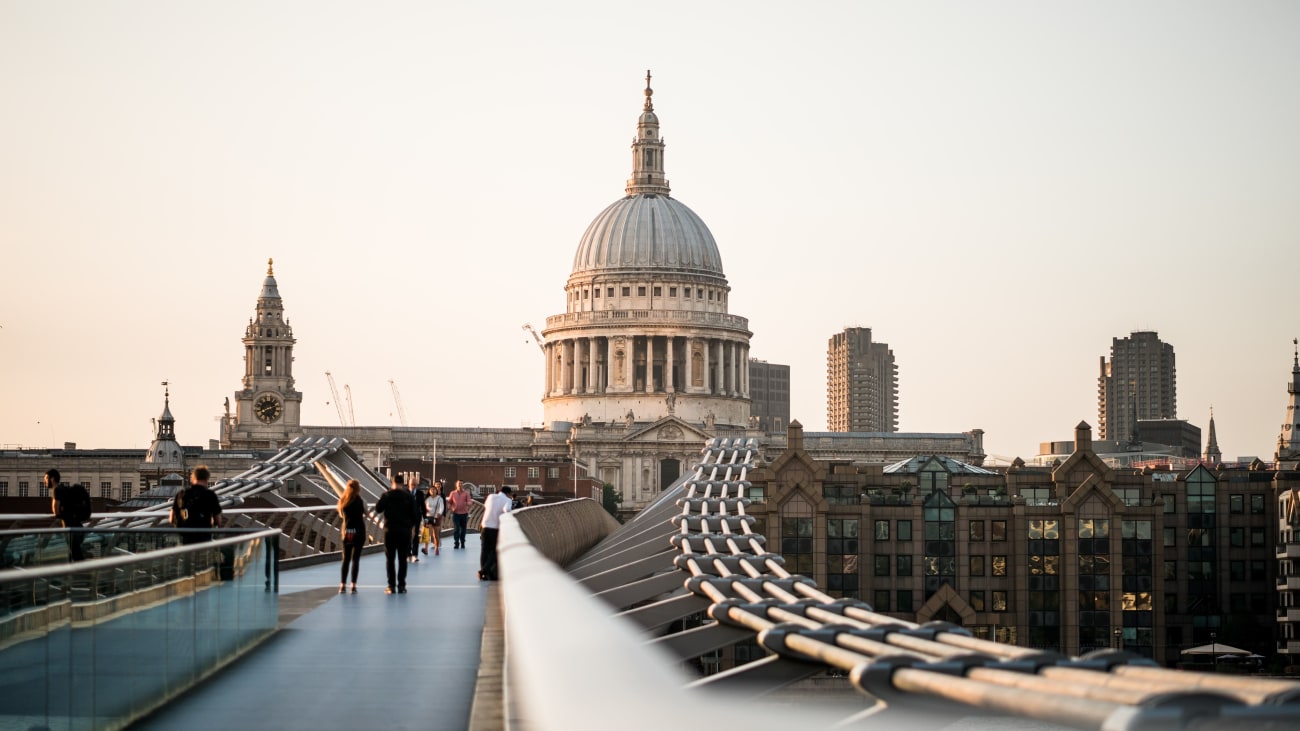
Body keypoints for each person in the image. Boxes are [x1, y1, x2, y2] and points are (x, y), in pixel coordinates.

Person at [374, 474, 418, 594]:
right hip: (405, 531)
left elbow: (378, 509)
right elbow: (415, 515)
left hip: (390, 530)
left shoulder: (387, 495)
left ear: (392, 483)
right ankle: (402, 585)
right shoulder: (409, 497)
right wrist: (412, 529)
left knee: (390, 559)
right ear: (403, 483)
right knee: (403, 558)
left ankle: (391, 586)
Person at [169, 465, 222, 544]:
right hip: (204, 538)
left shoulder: (182, 494)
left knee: (185, 555)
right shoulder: (210, 495)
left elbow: (171, 519)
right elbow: (218, 520)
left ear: (193, 479)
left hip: (185, 538)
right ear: (207, 479)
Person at [49, 468, 91, 562]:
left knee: (76, 556)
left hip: (71, 527)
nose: (45, 481)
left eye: (46, 478)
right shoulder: (65, 489)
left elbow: (56, 511)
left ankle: (82, 574)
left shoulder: (57, 490)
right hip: (78, 526)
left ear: (52, 479)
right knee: (76, 555)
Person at [478, 485, 513, 581]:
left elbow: (486, 506)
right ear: (508, 493)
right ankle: (485, 570)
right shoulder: (507, 500)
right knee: (494, 550)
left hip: (485, 525)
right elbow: (507, 510)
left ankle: (483, 572)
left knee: (484, 550)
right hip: (496, 527)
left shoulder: (491, 497)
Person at [337, 479, 366, 594]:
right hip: (359, 532)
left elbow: (341, 515)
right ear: (358, 489)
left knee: (346, 559)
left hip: (347, 532)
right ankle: (353, 585)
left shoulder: (343, 501)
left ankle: (342, 585)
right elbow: (367, 513)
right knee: (356, 559)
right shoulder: (361, 501)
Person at [448, 480, 472, 549]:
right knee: (456, 528)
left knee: (463, 529)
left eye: (461, 483)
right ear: (456, 485)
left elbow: (470, 501)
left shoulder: (466, 493)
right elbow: (449, 502)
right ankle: (456, 543)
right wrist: (449, 506)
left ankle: (462, 542)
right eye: (459, 483)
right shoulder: (452, 493)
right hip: (455, 513)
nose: (460, 485)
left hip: (464, 514)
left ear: (463, 485)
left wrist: (467, 503)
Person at [422, 481, 445, 556]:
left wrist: (440, 513)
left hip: (436, 517)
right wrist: (425, 511)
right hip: (428, 517)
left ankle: (436, 548)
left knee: (435, 534)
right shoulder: (427, 499)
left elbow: (442, 507)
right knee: (426, 533)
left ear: (436, 491)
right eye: (431, 490)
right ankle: (425, 548)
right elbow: (423, 507)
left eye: (434, 489)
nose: (432, 491)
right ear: (429, 491)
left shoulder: (439, 498)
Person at [408, 476, 425, 563]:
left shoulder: (420, 494)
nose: (413, 486)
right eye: (412, 484)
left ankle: (415, 554)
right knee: (407, 535)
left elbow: (423, 506)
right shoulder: (405, 493)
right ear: (409, 484)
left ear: (417, 485)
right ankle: (408, 553)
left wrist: (425, 518)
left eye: (415, 484)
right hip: (406, 518)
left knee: (415, 537)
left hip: (417, 517)